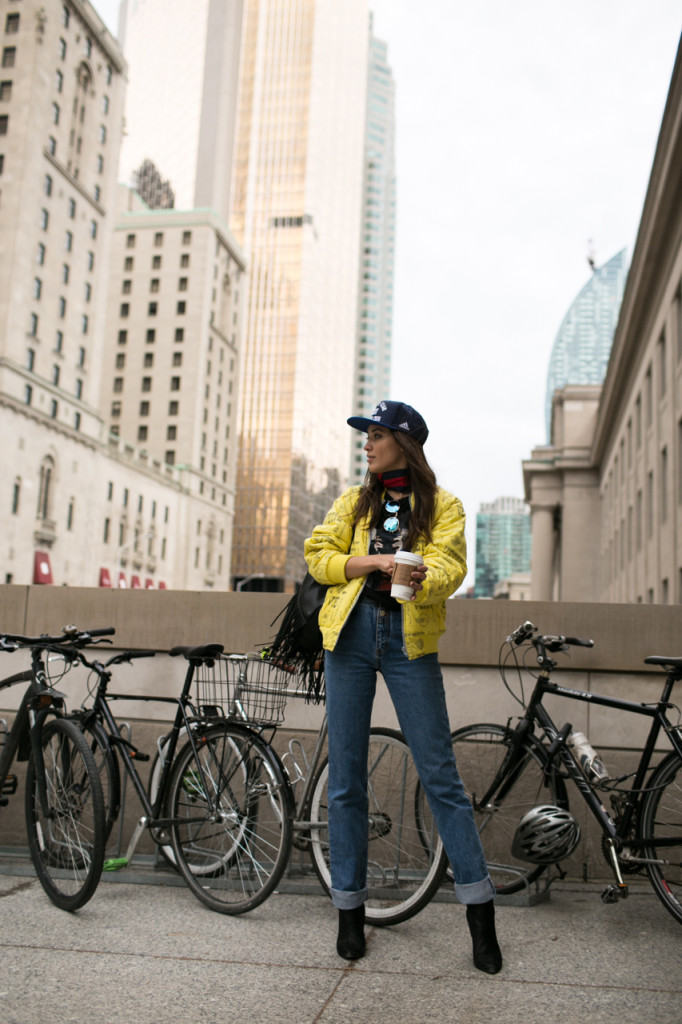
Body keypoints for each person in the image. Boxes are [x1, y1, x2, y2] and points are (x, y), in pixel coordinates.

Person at [304, 400, 502, 974]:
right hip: (349, 639)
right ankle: (348, 912)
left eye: (376, 434)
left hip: (409, 641)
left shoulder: (443, 505)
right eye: (365, 435)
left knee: (440, 776)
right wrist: (371, 564)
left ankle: (480, 916)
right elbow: (320, 555)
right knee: (346, 779)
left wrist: (418, 574)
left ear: (404, 442)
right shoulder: (353, 501)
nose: (366, 443)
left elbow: (450, 568)